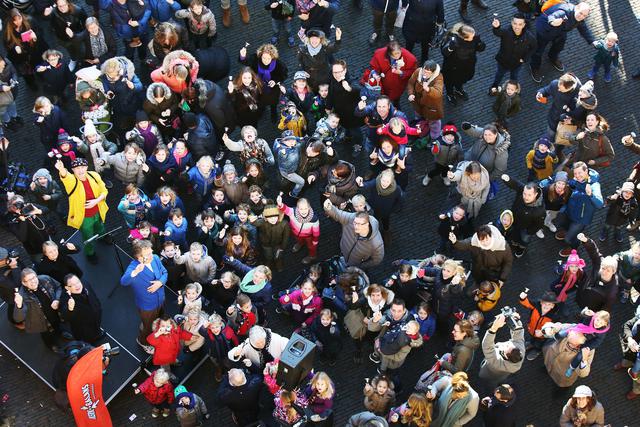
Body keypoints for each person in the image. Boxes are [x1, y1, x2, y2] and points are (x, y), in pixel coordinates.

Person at [55, 158, 109, 259]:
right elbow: (65, 176)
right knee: (88, 237)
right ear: (73, 170)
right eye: (77, 168)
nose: (80, 170)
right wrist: (61, 169)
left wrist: (96, 201)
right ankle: (90, 253)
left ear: (87, 167)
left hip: (98, 210)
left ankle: (102, 237)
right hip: (85, 217)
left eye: (83, 167)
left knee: (100, 226)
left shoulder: (94, 175)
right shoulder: (72, 181)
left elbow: (104, 191)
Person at [120, 240, 167, 354]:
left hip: (161, 298)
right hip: (147, 305)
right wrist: (135, 272)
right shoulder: (134, 267)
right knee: (148, 327)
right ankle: (143, 341)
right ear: (139, 257)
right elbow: (123, 281)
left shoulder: (155, 258)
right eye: (148, 254)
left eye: (151, 252)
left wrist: (160, 282)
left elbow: (165, 272)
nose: (152, 255)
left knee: (158, 319)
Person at [530, 2, 594, 83]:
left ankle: (552, 57)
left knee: (559, 45)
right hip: (545, 30)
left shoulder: (579, 17)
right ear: (576, 7)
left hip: (560, 30)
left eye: (584, 16)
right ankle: (534, 67)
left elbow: (583, 28)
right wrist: (553, 22)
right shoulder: (564, 11)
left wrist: (592, 41)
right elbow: (553, 17)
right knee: (539, 50)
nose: (581, 17)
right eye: (581, 13)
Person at [555, 162, 604, 257]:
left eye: (580, 173)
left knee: (569, 239)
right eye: (575, 173)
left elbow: (600, 204)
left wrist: (591, 195)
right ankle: (567, 231)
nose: (577, 176)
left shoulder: (594, 185)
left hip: (580, 219)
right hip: (570, 211)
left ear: (586, 171)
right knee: (561, 223)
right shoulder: (576, 180)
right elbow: (569, 183)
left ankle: (573, 247)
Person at [323, 199, 385, 269]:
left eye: (359, 224)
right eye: (355, 223)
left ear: (367, 224)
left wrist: (361, 266)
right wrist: (329, 208)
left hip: (355, 263)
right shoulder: (351, 218)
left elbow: (377, 260)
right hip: (343, 251)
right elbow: (339, 214)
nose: (355, 226)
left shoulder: (376, 244)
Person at [450, 224, 513, 290]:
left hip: (494, 272)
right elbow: (463, 245)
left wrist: (502, 278)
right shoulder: (474, 242)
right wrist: (455, 242)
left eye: (487, 239)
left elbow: (508, 262)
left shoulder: (503, 246)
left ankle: (488, 291)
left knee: (490, 285)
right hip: (478, 268)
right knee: (478, 278)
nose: (485, 243)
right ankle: (477, 285)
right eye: (482, 240)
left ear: (491, 236)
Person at [13, 269, 62, 352]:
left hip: (54, 312)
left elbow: (58, 287)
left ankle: (60, 333)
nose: (33, 281)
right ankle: (51, 344)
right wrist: (19, 305)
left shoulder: (45, 279)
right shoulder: (22, 296)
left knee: (57, 323)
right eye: (29, 280)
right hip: (40, 320)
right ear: (24, 283)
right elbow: (18, 319)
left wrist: (57, 299)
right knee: (46, 334)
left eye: (33, 277)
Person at [489, 13, 536, 93]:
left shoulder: (529, 37)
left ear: (524, 25)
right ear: (511, 23)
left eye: (520, 24)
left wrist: (525, 59)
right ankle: (495, 86)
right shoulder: (506, 32)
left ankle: (513, 89)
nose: (517, 26)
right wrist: (496, 27)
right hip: (503, 61)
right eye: (515, 23)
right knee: (499, 74)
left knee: (514, 77)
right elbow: (498, 32)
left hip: (517, 63)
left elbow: (534, 47)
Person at [500, 174, 545, 258]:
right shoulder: (523, 190)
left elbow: (538, 225)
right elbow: (516, 184)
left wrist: (529, 232)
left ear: (535, 194)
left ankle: (521, 249)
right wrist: (507, 179)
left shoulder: (539, 211)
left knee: (524, 240)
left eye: (529, 195)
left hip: (525, 229)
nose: (525, 197)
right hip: (514, 221)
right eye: (524, 194)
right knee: (512, 234)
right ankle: (511, 242)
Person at [441, 23, 486, 105]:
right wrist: (450, 47)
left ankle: (458, 89)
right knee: (449, 82)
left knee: (461, 80)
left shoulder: (474, 39)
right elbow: (444, 53)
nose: (474, 37)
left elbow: (481, 48)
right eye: (472, 36)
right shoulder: (452, 41)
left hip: (467, 67)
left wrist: (480, 44)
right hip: (452, 69)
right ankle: (450, 94)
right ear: (465, 37)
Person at [478, 313, 525, 384]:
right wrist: (516, 320)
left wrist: (494, 328)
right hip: (502, 375)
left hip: (487, 371)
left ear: (505, 355)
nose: (508, 344)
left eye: (506, 346)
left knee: (483, 377)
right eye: (509, 344)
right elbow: (518, 333)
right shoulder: (519, 350)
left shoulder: (496, 361)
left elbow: (487, 346)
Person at [59, 274, 103, 344]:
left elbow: (94, 296)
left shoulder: (85, 284)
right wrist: (70, 308)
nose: (77, 285)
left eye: (78, 282)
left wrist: (98, 307)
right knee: (90, 341)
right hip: (84, 329)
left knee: (97, 331)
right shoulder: (65, 298)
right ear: (67, 288)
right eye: (73, 285)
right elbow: (64, 316)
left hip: (96, 318)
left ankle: (98, 334)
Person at [518, 290, 558, 360]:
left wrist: (543, 332)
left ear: (553, 306)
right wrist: (522, 298)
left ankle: (537, 350)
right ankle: (531, 343)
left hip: (542, 336)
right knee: (531, 337)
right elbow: (527, 303)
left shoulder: (554, 316)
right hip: (531, 328)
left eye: (549, 304)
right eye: (545, 303)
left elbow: (553, 329)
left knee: (539, 344)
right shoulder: (536, 305)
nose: (546, 306)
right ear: (541, 302)